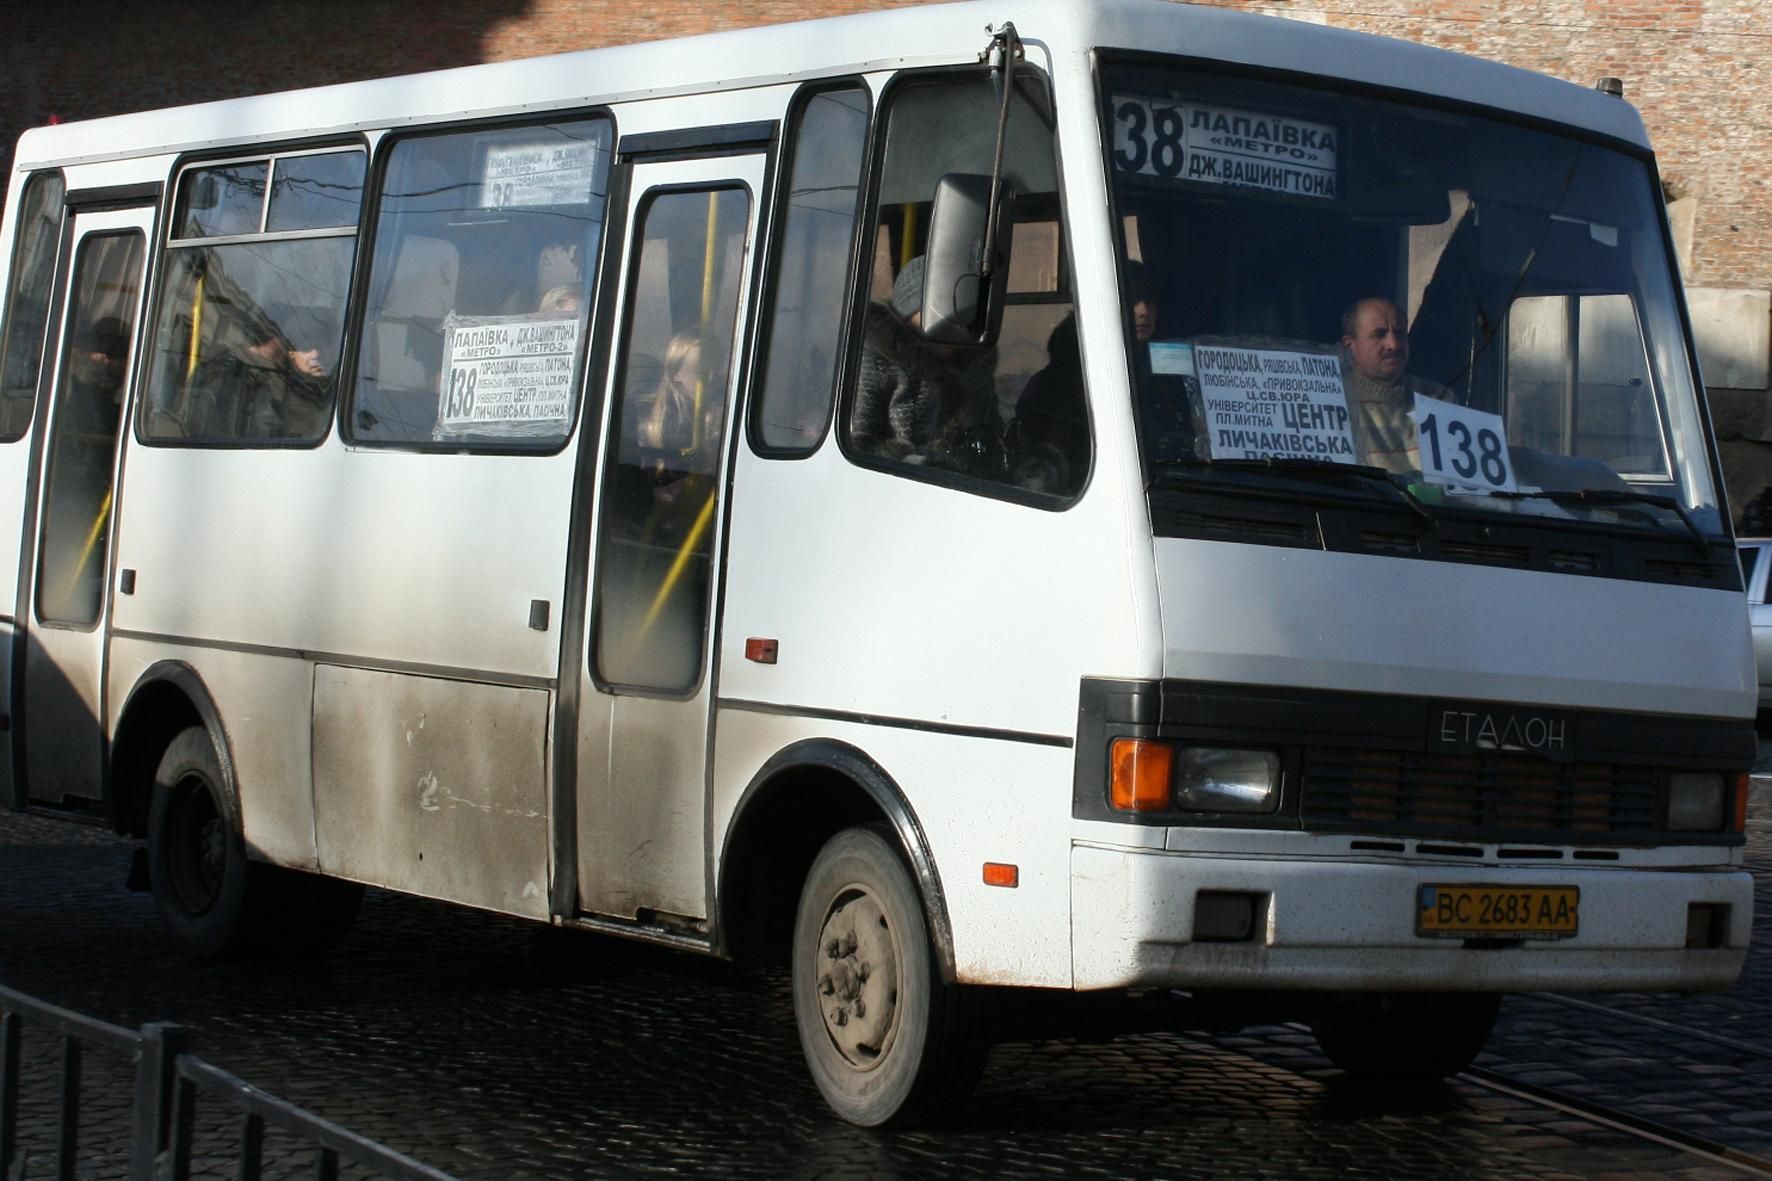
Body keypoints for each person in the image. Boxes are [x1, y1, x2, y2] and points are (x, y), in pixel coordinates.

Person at [851, 255, 1004, 479]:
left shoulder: (976, 367)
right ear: (906, 315)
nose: (949, 318)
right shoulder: (878, 359)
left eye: (958, 309)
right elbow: (858, 447)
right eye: (936, 308)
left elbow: (992, 430)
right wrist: (927, 467)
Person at [1339, 296, 1449, 474]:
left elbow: (1460, 486)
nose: (1393, 344)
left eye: (1399, 333)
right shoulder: (1334, 403)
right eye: (1379, 334)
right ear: (1350, 346)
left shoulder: (1440, 398)